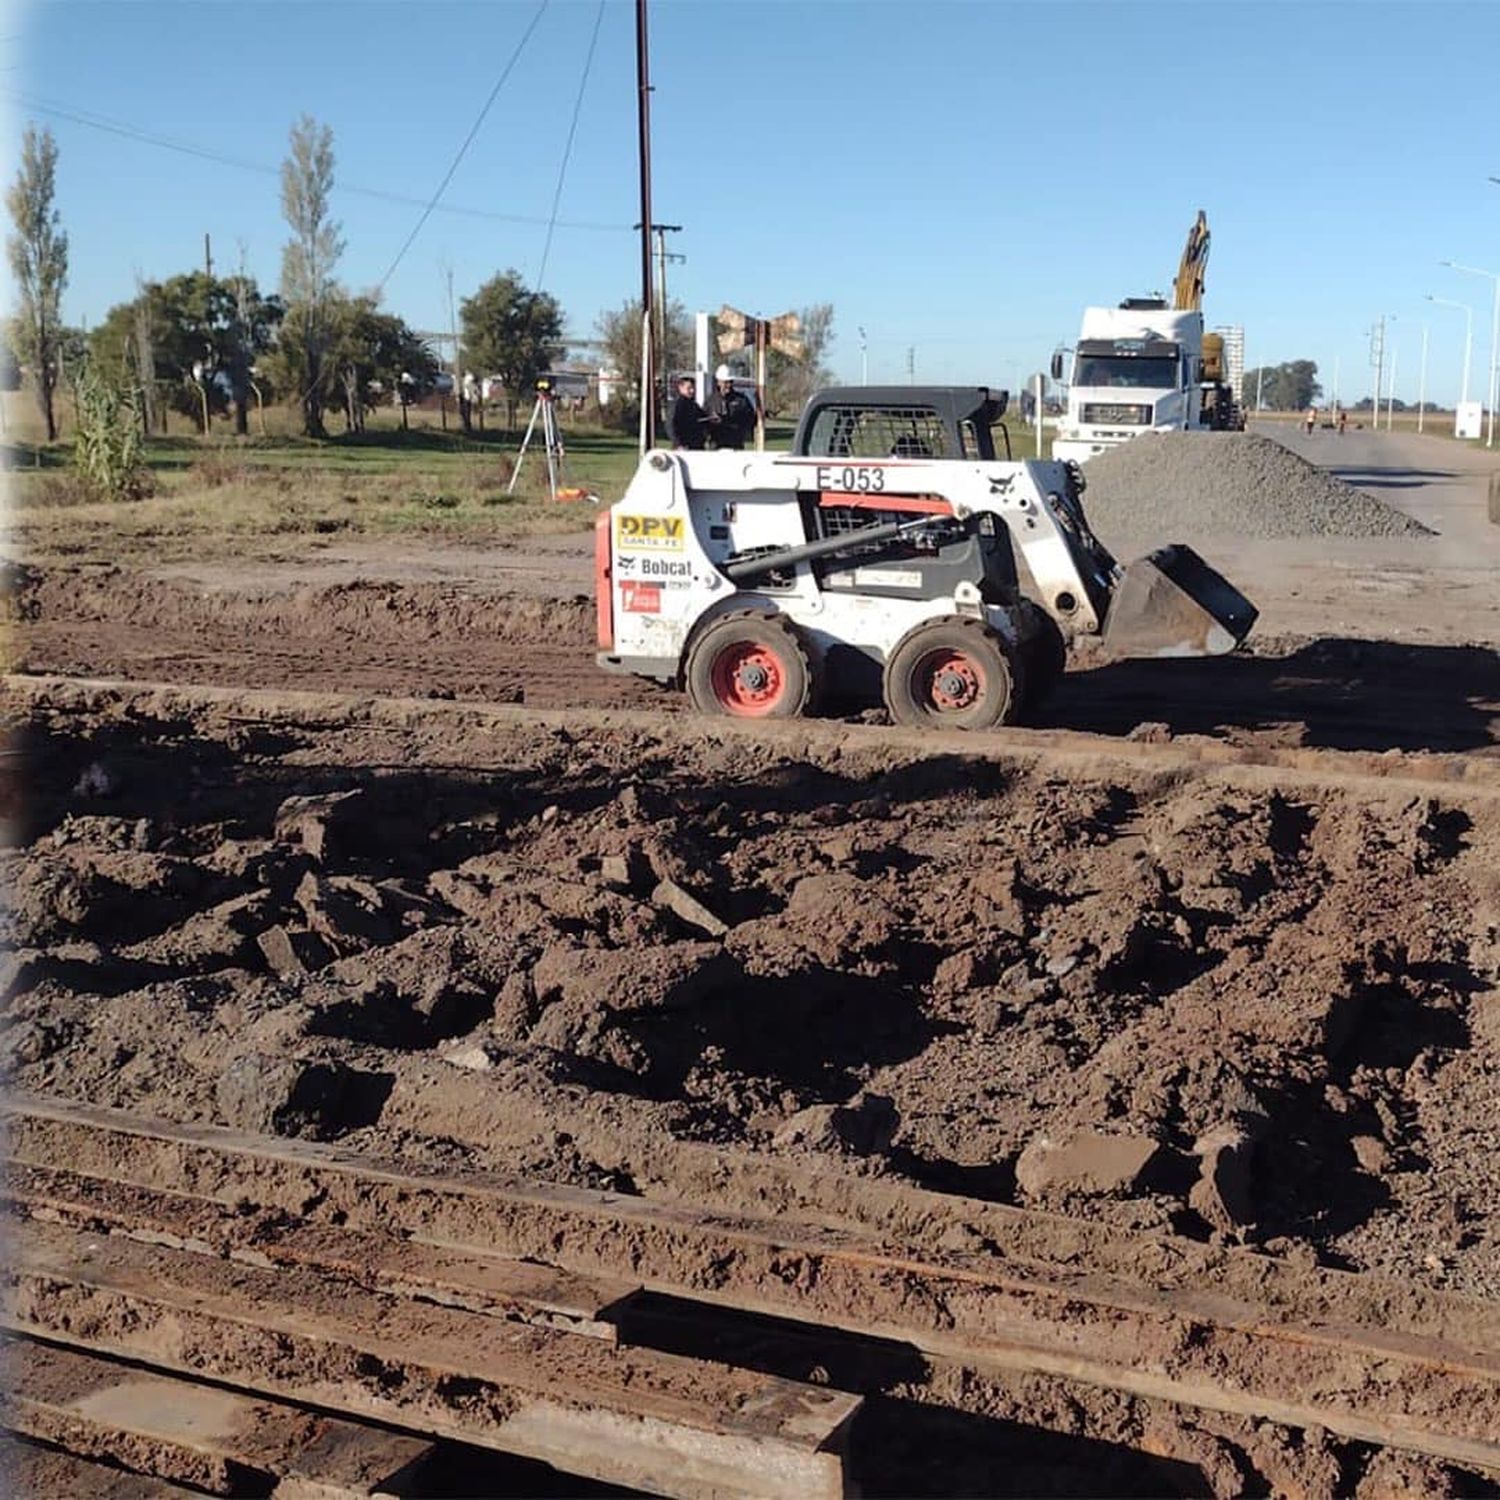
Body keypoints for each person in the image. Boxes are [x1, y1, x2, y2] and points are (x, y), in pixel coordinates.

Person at [706, 364, 756, 450]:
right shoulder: (711, 400)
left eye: (730, 382)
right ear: (718, 382)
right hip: (716, 445)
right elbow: (703, 421)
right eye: (725, 382)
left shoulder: (741, 400)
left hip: (735, 444)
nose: (728, 385)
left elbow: (750, 419)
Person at [668, 374, 708, 450]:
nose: (692, 391)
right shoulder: (677, 405)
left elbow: (702, 418)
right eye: (689, 388)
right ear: (680, 387)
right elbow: (670, 425)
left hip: (696, 446)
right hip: (684, 447)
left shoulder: (693, 404)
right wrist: (678, 444)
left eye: (693, 388)